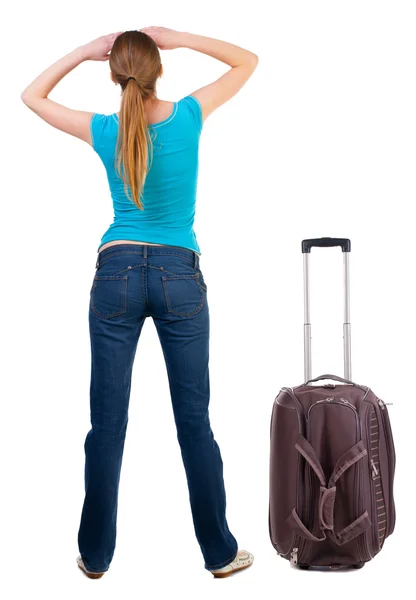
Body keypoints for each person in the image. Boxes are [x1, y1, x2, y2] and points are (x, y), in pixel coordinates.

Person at [21, 27, 258, 578]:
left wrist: (83, 51)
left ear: (114, 74)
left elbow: (32, 97)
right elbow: (248, 60)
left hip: (116, 273)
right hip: (179, 274)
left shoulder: (104, 130)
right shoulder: (191, 114)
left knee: (106, 424)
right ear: (159, 69)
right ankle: (220, 554)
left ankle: (96, 557)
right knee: (194, 422)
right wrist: (178, 37)